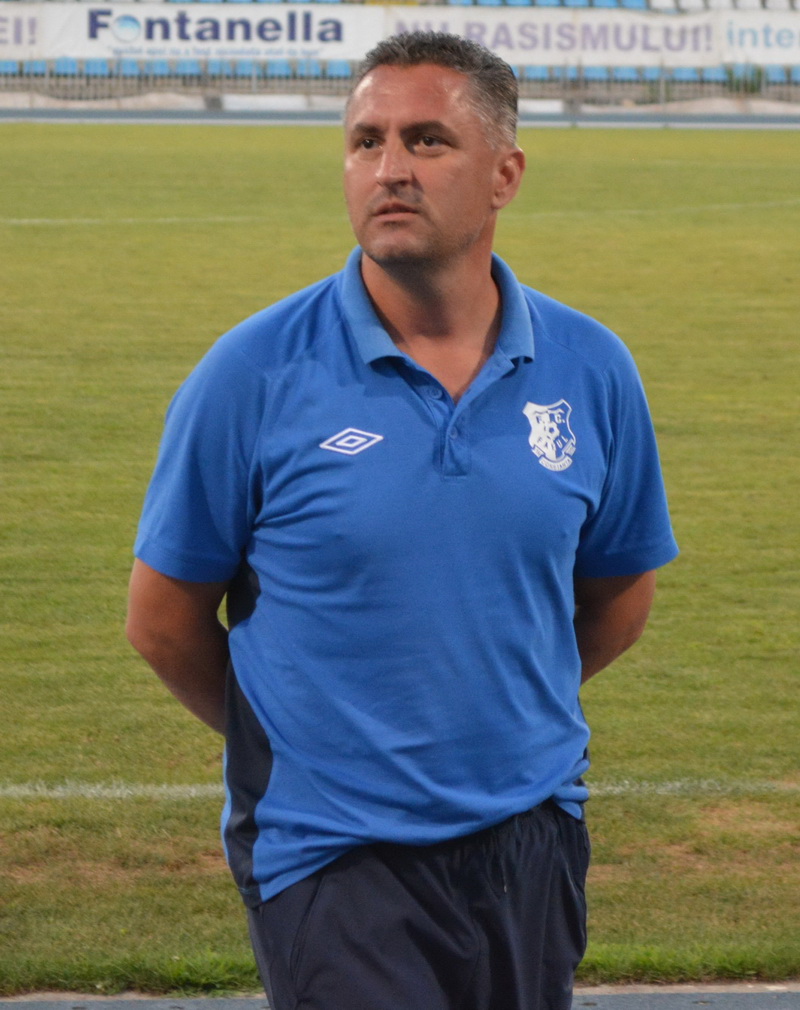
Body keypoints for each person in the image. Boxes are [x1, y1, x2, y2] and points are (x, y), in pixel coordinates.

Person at [127, 31, 678, 1010]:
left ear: (504, 173)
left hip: (531, 834)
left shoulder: (592, 368)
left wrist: (486, 712)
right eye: (365, 141)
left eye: (427, 140)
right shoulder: (250, 375)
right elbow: (163, 621)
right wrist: (317, 739)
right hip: (333, 852)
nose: (389, 169)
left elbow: (618, 594)